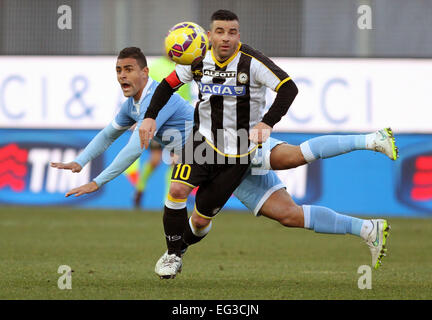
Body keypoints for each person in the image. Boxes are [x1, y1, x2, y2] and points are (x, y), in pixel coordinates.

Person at [51, 46, 396, 281]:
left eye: (128, 70)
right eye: (117, 71)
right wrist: (81, 162)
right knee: (286, 215)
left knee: (290, 156)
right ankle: (369, 229)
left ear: (144, 72)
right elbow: (109, 134)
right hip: (209, 166)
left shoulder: (160, 98)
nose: (122, 76)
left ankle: (371, 139)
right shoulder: (132, 107)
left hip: (228, 145)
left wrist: (100, 182)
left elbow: (133, 149)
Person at [138, 10, 394, 279]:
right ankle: (173, 254)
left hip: (241, 153)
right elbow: (166, 86)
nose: (226, 38)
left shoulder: (252, 62)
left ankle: (372, 145)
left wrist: (267, 122)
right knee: (181, 193)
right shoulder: (197, 59)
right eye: (220, 32)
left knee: (289, 190)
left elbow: (288, 88)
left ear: (239, 35)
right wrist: (149, 118)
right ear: (209, 35)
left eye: (232, 32)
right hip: (203, 145)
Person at [131, 57, 192, 209]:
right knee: (155, 160)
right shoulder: (156, 66)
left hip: (178, 123)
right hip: (158, 120)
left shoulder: (186, 67)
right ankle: (139, 189)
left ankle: (168, 202)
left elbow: (187, 96)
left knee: (175, 163)